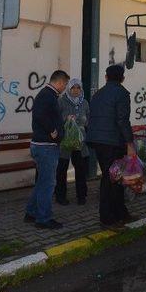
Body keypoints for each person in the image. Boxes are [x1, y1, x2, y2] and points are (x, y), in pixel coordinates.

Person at [86, 64, 136, 227]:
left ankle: (118, 212)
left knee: (113, 178)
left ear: (106, 77)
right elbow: (122, 120)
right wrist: (130, 143)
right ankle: (108, 217)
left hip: (98, 141)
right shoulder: (122, 94)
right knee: (111, 179)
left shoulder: (97, 94)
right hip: (113, 142)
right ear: (122, 78)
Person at [24, 70, 70, 229]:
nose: (65, 88)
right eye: (65, 84)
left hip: (43, 146)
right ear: (60, 82)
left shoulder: (48, 95)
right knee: (49, 183)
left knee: (43, 182)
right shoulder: (47, 95)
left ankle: (31, 212)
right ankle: (43, 219)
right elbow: (39, 114)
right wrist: (53, 131)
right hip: (46, 147)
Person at [55, 78, 90, 206]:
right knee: (62, 168)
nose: (76, 90)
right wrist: (67, 119)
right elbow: (56, 118)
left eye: (78, 88)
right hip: (65, 141)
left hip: (79, 142)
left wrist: (82, 121)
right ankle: (60, 195)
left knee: (80, 169)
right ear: (69, 89)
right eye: (73, 88)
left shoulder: (84, 102)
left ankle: (81, 195)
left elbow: (88, 119)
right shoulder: (61, 101)